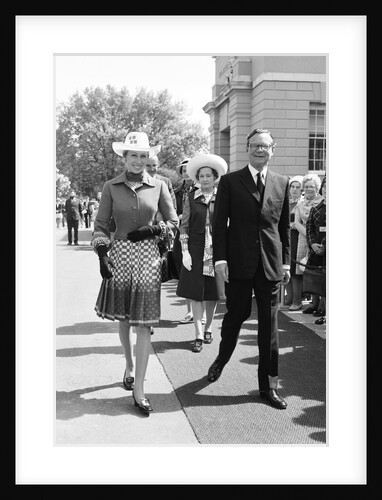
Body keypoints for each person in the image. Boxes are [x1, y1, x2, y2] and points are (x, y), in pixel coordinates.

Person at [91, 131, 178, 416]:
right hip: (118, 255)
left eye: (143, 156)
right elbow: (101, 225)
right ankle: (128, 364)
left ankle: (139, 388)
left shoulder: (160, 185)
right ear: (124, 158)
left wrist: (154, 230)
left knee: (144, 323)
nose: (139, 161)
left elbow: (174, 223)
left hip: (148, 258)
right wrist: (102, 255)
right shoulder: (110, 186)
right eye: (133, 156)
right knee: (126, 319)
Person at [207, 128, 291, 410]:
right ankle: (221, 359)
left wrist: (286, 262)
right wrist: (220, 260)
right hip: (238, 263)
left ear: (272, 149)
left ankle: (268, 386)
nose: (260, 150)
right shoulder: (230, 181)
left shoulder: (282, 182)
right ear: (247, 148)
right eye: (255, 145)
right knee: (235, 316)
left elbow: (283, 227)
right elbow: (218, 226)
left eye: (265, 146)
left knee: (269, 327)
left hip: (269, 265)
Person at [176, 153, 228, 353]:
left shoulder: (222, 197)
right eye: (202, 176)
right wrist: (185, 251)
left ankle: (208, 328)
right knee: (195, 292)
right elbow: (184, 225)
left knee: (212, 292)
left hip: (216, 250)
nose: (205, 179)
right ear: (197, 178)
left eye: (209, 175)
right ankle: (197, 333)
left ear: (215, 177)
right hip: (195, 249)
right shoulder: (190, 197)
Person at [145, 154, 177, 335]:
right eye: (148, 166)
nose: (151, 169)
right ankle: (144, 316)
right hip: (140, 236)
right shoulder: (137, 182)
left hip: (160, 239)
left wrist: (165, 231)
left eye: (154, 165)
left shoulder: (165, 182)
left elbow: (171, 209)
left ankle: (151, 315)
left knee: (155, 280)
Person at [294, 174, 323, 315]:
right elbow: (296, 222)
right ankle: (313, 304)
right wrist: (308, 236)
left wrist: (313, 239)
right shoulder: (300, 204)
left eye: (311, 186)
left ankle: (320, 305)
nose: (308, 189)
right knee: (307, 272)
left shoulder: (322, 202)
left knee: (318, 270)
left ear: (317, 187)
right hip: (303, 239)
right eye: (306, 186)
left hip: (318, 239)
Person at [173, 158, 198, 324]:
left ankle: (200, 313)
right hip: (180, 235)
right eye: (184, 170)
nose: (186, 173)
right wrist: (177, 218)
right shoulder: (175, 192)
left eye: (189, 170)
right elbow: (169, 212)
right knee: (185, 273)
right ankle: (189, 311)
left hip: (198, 235)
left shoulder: (202, 190)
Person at [306, 176, 326, 325]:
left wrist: (325, 244)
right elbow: (309, 228)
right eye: (325, 186)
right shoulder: (316, 208)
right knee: (322, 283)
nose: (327, 189)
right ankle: (324, 311)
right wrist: (313, 244)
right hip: (318, 252)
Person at [285, 176, 304, 310]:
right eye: (293, 187)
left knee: (296, 269)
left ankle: (297, 301)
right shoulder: (286, 201)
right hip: (286, 237)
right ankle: (290, 297)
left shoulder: (302, 203)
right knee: (287, 267)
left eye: (298, 187)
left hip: (298, 238)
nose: (295, 189)